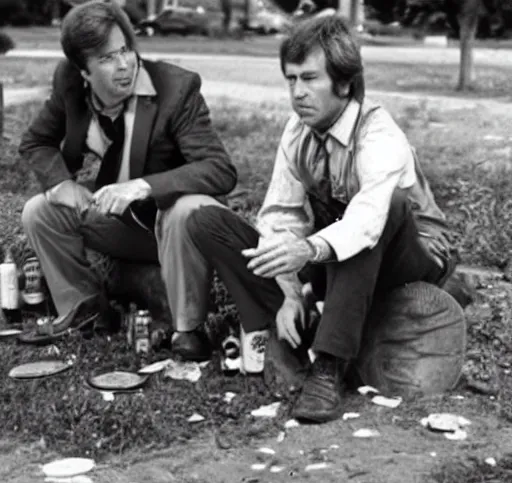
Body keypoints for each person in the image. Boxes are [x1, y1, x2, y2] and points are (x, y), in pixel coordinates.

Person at [186, 15, 457, 422]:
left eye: (309, 78)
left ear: (344, 83)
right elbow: (282, 214)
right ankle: (282, 326)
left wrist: (310, 248)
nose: (297, 93)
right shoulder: (298, 131)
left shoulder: (379, 133)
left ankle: (328, 366)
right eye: (291, 79)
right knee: (206, 222)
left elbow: (368, 218)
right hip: (334, 255)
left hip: (410, 255)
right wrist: (291, 290)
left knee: (383, 211)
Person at [19, 0, 236, 361]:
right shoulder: (69, 84)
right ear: (82, 70)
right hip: (129, 224)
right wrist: (61, 184)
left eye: (126, 50)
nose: (124, 65)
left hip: (180, 228)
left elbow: (220, 169)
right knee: (40, 211)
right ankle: (85, 310)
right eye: (106, 58)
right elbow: (36, 142)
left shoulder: (176, 89)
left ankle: (188, 331)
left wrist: (144, 185)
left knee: (182, 209)